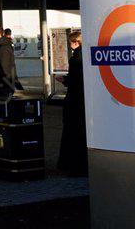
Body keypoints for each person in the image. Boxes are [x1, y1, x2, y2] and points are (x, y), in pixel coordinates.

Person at [57, 31, 88, 176]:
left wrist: (65, 80)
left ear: (75, 42)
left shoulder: (76, 58)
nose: (69, 45)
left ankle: (74, 166)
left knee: (73, 132)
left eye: (70, 42)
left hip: (74, 101)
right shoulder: (85, 55)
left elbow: (75, 80)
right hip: (81, 101)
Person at [0, 24, 17, 100]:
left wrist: (2, 85)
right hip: (3, 84)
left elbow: (5, 68)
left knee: (2, 108)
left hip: (3, 85)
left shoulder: (3, 47)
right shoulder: (1, 45)